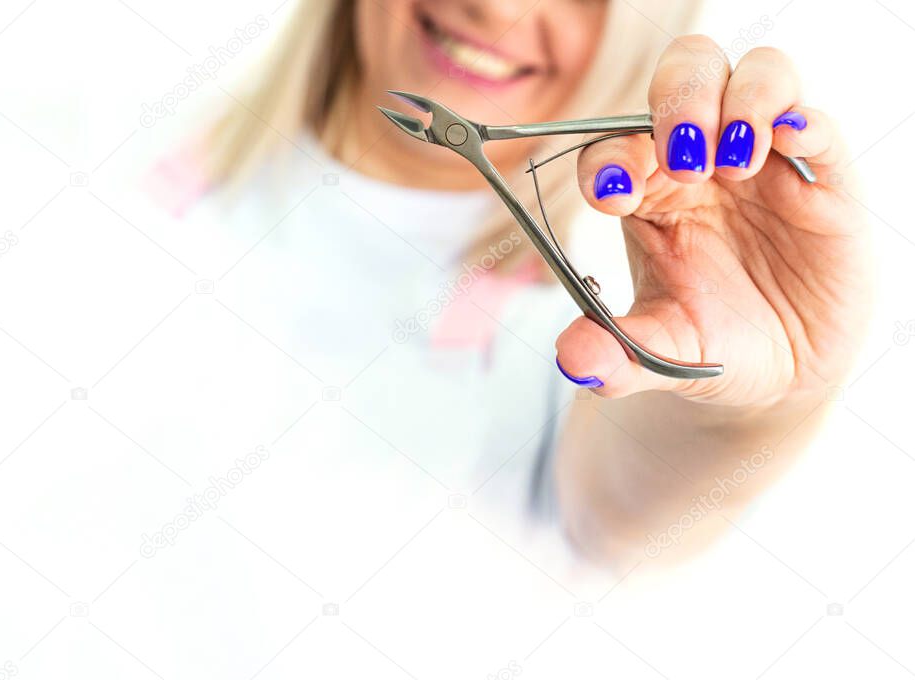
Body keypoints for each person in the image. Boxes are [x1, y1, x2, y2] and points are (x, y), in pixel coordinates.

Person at [161, 0, 871, 574]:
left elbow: (616, 515)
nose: (495, 7)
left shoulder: (565, 332)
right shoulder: (97, 129)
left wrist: (764, 408)